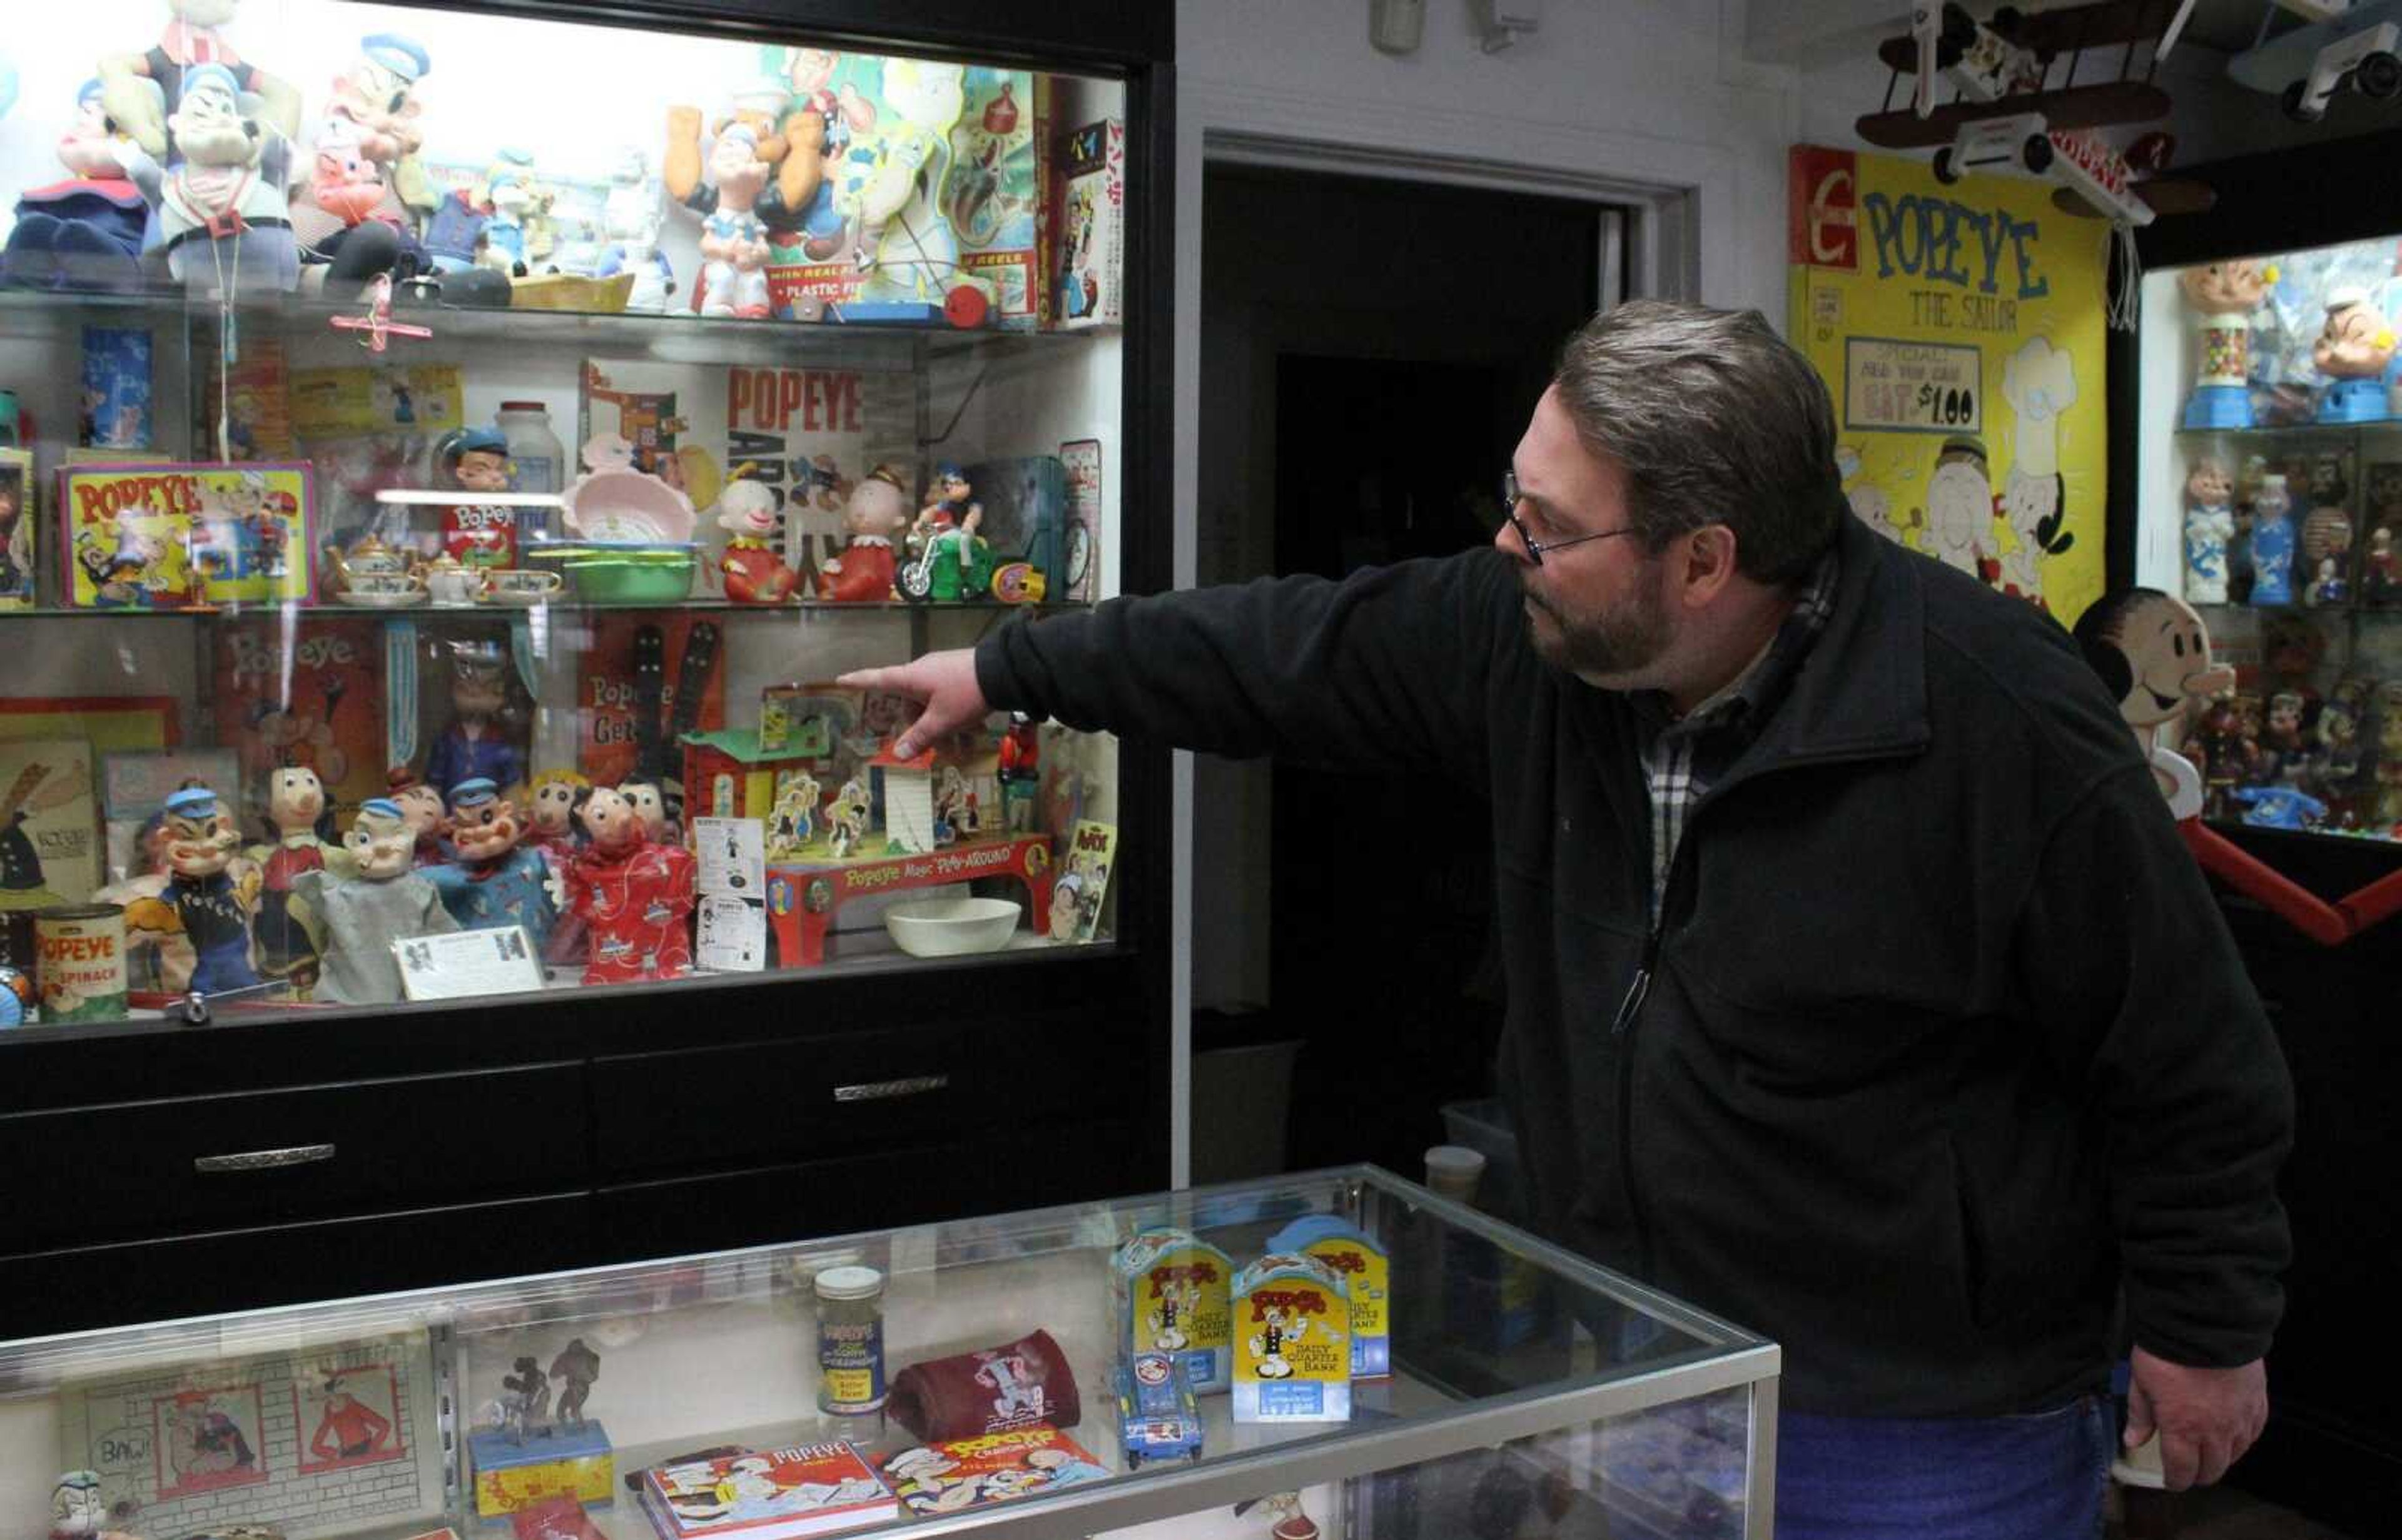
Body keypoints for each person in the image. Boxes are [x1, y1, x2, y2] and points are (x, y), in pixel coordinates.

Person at [843, 300, 2292, 1536]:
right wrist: (1006, 664)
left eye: (1547, 526)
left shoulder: (2003, 719)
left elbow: (2184, 1053)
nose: (1506, 542)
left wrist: (2207, 1328)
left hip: (1925, 1408)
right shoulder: (1529, 633)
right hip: (1645, 1348)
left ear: (1704, 561)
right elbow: (1283, 650)